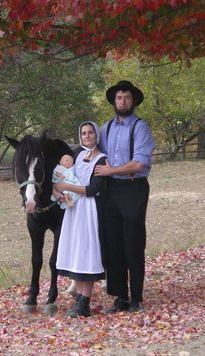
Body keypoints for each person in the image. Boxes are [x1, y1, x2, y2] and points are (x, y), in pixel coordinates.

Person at [95, 80, 156, 313]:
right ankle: (120, 296)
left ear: (133, 101)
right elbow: (96, 153)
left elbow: (140, 163)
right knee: (113, 244)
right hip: (110, 191)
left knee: (133, 242)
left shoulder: (140, 127)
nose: (123, 102)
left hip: (133, 188)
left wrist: (112, 170)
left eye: (127, 98)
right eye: (119, 98)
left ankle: (137, 298)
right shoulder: (106, 128)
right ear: (114, 101)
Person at [53, 121, 106, 317]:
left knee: (87, 251)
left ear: (96, 135)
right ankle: (81, 302)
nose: (87, 136)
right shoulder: (78, 155)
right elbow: (63, 176)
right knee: (78, 251)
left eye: (90, 132)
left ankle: (85, 302)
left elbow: (93, 189)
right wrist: (57, 189)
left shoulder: (101, 159)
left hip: (89, 207)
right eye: (83, 133)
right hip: (74, 208)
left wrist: (66, 187)